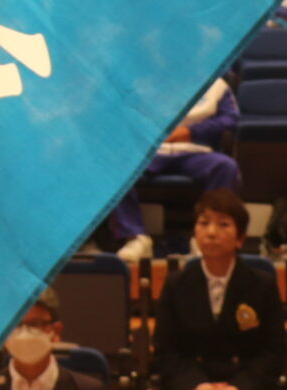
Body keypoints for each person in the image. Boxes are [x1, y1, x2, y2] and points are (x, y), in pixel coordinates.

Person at [152, 189, 286, 390]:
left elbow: (273, 354)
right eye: (204, 223)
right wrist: (196, 388)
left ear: (239, 238)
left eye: (223, 224)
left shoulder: (261, 285)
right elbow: (166, 353)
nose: (211, 232)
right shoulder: (177, 284)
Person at [97, 76, 240, 262]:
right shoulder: (141, 80)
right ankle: (135, 237)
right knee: (116, 167)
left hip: (196, 149)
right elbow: (125, 114)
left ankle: (205, 238)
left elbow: (231, 119)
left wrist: (191, 132)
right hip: (152, 151)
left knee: (226, 167)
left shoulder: (216, 84)